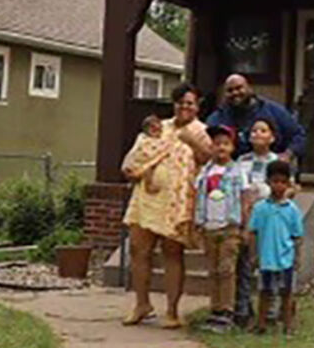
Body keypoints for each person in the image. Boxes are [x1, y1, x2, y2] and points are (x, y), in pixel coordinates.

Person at [120, 84, 212, 330]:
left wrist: (191, 140)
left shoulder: (202, 131)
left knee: (172, 253)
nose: (185, 107)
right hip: (146, 198)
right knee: (139, 250)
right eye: (180, 102)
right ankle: (142, 304)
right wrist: (136, 169)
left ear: (198, 105)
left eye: (190, 103)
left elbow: (209, 158)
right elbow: (138, 154)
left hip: (176, 202)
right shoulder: (158, 127)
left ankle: (171, 311)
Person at [194, 125, 249, 332]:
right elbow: (197, 197)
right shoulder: (205, 171)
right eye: (217, 144)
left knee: (227, 270)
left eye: (225, 144)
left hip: (229, 227)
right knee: (213, 270)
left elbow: (244, 199)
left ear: (233, 147)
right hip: (209, 226)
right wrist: (197, 224)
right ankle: (214, 309)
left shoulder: (238, 171)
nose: (221, 148)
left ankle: (227, 310)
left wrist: (244, 225)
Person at [231, 118, 281, 326]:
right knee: (244, 264)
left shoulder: (277, 162)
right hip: (246, 218)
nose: (257, 134)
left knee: (268, 265)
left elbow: (284, 190)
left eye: (263, 130)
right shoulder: (242, 161)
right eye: (254, 130)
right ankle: (242, 308)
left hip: (270, 220)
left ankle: (270, 309)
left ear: (272, 137)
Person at [247, 159, 304, 335]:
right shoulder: (260, 208)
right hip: (266, 259)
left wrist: (297, 257)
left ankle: (288, 324)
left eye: (282, 182)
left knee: (286, 293)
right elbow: (253, 232)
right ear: (268, 182)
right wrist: (253, 255)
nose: (278, 186)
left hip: (285, 258)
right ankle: (261, 324)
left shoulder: (292, 209)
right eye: (274, 181)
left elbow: (298, 236)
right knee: (265, 292)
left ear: (288, 184)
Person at [206, 74, 306, 162]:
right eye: (230, 90)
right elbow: (208, 143)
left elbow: (298, 135)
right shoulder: (218, 118)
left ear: (249, 88)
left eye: (239, 88)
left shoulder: (274, 111)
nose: (235, 93)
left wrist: (287, 155)